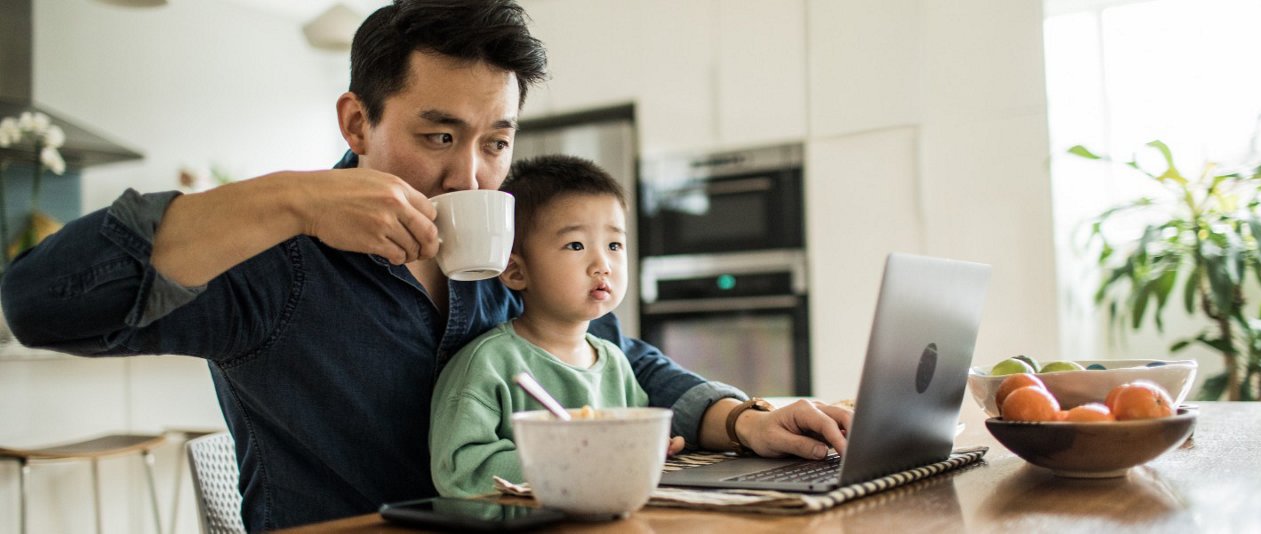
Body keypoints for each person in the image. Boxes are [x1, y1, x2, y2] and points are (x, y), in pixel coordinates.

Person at [0, 0, 851, 530]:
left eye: (497, 142)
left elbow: (615, 361)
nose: (468, 176)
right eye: (438, 135)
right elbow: (39, 303)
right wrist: (293, 199)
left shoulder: (508, 253)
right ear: (356, 121)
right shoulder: (274, 260)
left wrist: (743, 422)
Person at [431, 155, 679, 497]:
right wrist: (576, 458)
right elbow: (461, 473)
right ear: (517, 271)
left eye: (614, 245)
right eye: (575, 245)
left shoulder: (615, 362)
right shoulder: (488, 364)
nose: (602, 264)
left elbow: (621, 449)